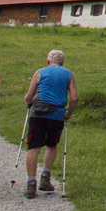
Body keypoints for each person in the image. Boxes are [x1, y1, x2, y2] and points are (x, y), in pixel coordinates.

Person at [21, 48, 78, 198]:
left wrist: (27, 100)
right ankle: (45, 179)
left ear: (48, 61)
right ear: (62, 62)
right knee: (51, 145)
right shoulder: (68, 74)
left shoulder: (40, 72)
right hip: (57, 115)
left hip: (37, 114)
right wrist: (69, 114)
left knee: (33, 148)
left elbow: (29, 97)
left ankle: (31, 184)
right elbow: (74, 98)